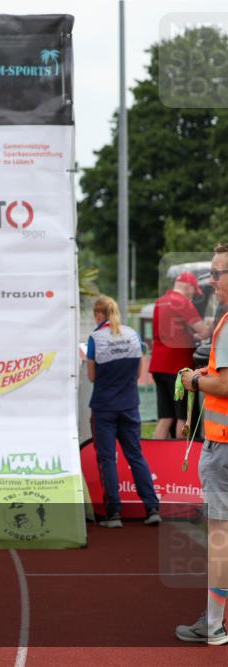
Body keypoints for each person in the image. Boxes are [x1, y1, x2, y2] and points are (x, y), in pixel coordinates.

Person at [177, 243, 228, 645]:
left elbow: (225, 384)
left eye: (218, 272)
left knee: (219, 540)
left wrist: (195, 380)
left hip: (223, 446)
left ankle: (213, 625)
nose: (213, 280)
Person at [86, 295, 161, 528]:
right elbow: (139, 374)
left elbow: (91, 376)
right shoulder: (132, 335)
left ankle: (114, 514)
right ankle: (151, 508)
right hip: (130, 405)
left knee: (108, 459)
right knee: (136, 456)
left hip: (104, 407)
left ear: (99, 315)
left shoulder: (95, 338)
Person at [149, 272, 209, 439]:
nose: (192, 295)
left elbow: (169, 331)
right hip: (177, 366)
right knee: (183, 417)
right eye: (193, 291)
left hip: (158, 364)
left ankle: (156, 456)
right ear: (187, 286)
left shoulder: (160, 302)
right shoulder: (182, 303)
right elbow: (203, 331)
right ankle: (180, 456)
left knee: (166, 417)